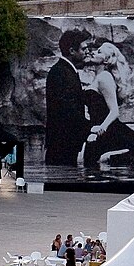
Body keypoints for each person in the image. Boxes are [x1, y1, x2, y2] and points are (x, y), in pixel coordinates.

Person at [44, 29, 92, 166]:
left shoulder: (65, 71)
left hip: (65, 141)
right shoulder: (61, 72)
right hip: (62, 142)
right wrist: (89, 127)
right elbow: (67, 108)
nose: (87, 52)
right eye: (83, 49)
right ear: (72, 51)